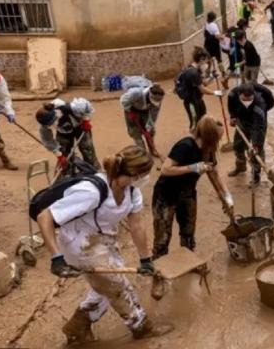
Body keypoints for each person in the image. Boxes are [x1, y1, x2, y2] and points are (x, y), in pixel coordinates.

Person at [36, 145, 174, 343]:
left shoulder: (132, 192)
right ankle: (140, 326)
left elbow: (137, 227)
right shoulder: (91, 191)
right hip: (79, 244)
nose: (147, 178)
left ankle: (77, 326)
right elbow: (45, 217)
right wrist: (56, 257)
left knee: (105, 286)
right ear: (136, 173)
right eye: (145, 174)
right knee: (118, 286)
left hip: (104, 240)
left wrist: (146, 260)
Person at [152, 116, 234, 258]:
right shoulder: (185, 146)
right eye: (217, 138)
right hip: (166, 195)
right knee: (163, 237)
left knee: (188, 233)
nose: (219, 142)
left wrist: (227, 195)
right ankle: (159, 267)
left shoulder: (208, 149)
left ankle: (188, 260)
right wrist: (192, 168)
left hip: (188, 194)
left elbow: (214, 172)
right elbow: (166, 169)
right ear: (209, 136)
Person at [36, 97, 101, 174]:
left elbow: (86, 106)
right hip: (63, 132)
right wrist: (59, 155)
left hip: (80, 126)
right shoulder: (43, 125)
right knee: (64, 153)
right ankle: (67, 173)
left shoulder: (67, 107)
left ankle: (94, 171)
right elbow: (48, 140)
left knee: (87, 148)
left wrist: (86, 119)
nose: (51, 125)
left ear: (55, 116)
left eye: (52, 122)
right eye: (49, 125)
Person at [227, 83, 274, 185]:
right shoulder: (232, 95)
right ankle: (240, 166)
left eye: (250, 100)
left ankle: (256, 176)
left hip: (257, 123)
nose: (247, 102)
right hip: (242, 120)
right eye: (244, 100)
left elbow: (258, 127)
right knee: (237, 145)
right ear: (239, 94)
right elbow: (231, 106)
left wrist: (256, 145)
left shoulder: (260, 104)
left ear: (253, 95)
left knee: (256, 152)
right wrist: (233, 116)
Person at [177, 47, 223, 130]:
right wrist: (215, 93)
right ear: (201, 59)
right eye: (206, 61)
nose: (206, 64)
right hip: (191, 102)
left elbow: (203, 83)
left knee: (203, 119)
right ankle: (194, 140)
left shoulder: (196, 70)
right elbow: (202, 89)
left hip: (198, 100)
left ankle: (203, 137)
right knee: (195, 124)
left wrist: (212, 77)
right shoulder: (192, 73)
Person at [120, 76, 165, 158]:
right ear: (149, 96)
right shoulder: (136, 93)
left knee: (150, 131)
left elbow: (153, 115)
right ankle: (142, 152)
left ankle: (152, 150)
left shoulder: (158, 100)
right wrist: (130, 111)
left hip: (145, 111)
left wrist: (149, 126)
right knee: (135, 132)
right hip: (132, 109)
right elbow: (123, 101)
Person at [203, 11, 228, 86]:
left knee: (209, 59)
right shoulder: (213, 25)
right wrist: (223, 37)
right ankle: (223, 73)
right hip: (214, 45)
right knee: (219, 60)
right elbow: (217, 36)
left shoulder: (205, 24)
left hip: (207, 45)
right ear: (214, 18)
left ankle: (207, 73)